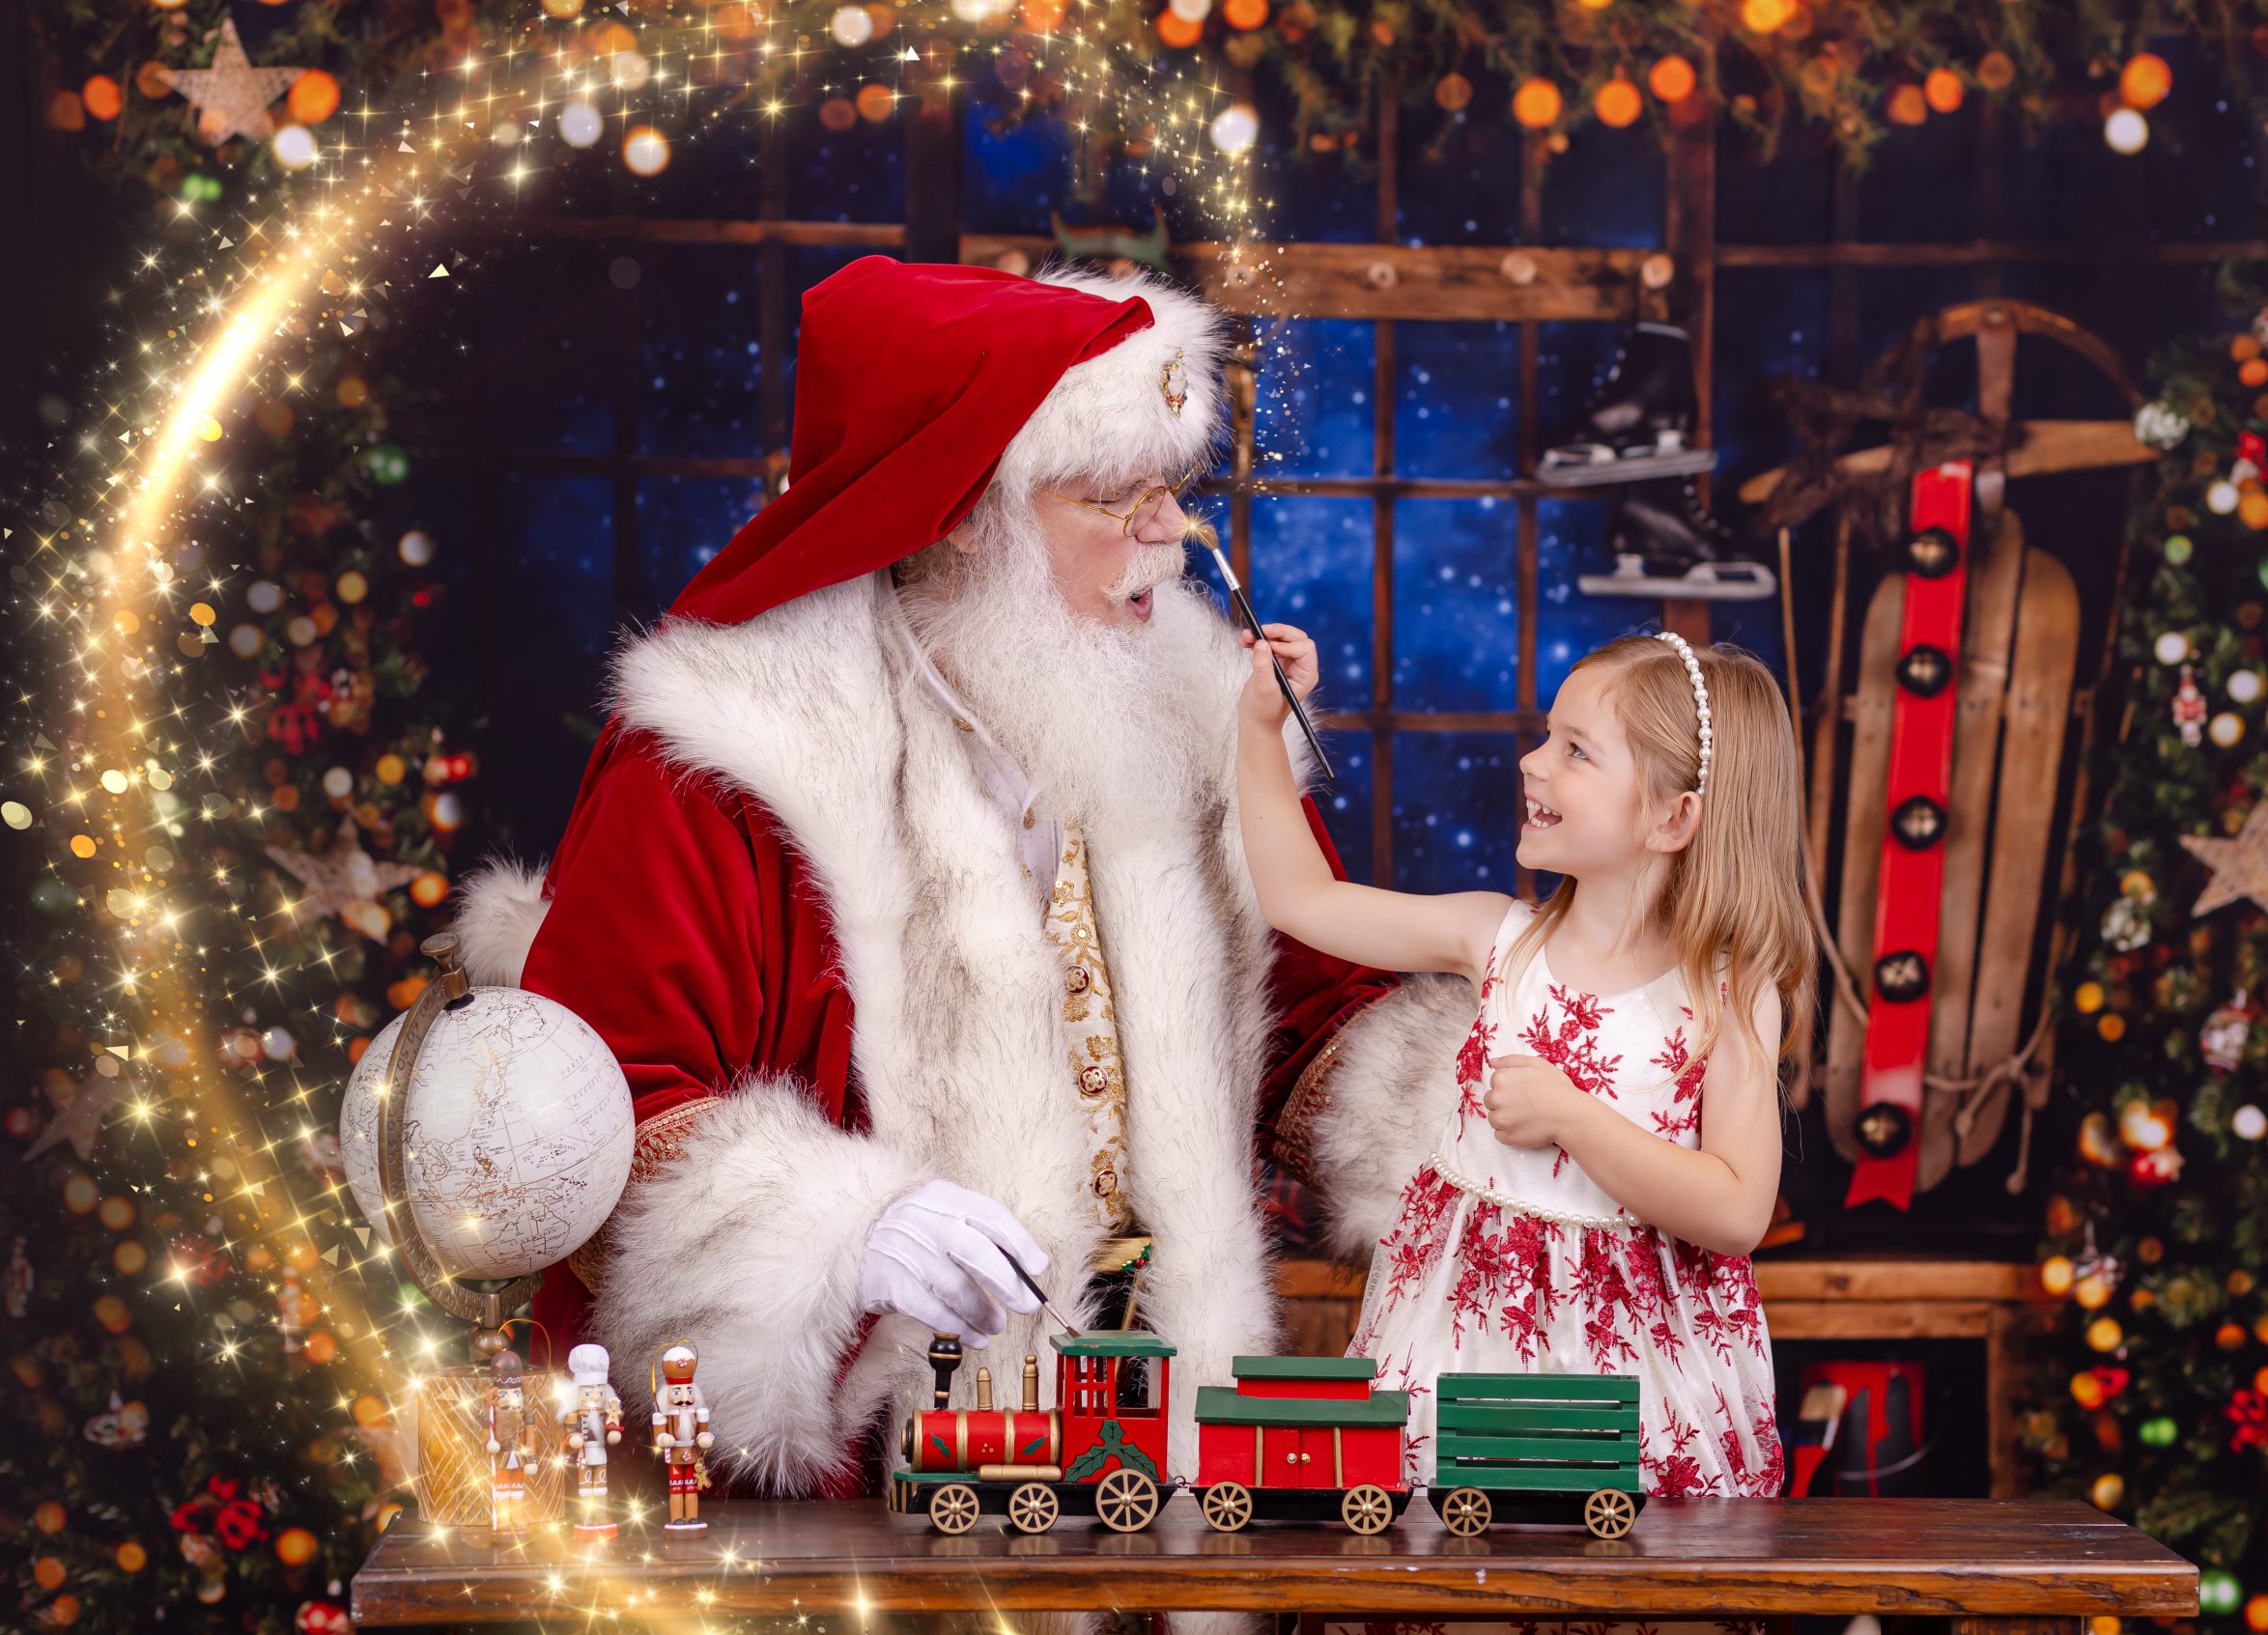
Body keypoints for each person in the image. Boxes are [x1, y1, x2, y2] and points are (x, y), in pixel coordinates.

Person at [442, 256, 1487, 1563]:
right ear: (958, 516)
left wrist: (1485, 1116)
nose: (1171, 533)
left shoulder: (1187, 704)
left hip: (1151, 1456)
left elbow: (1318, 1012)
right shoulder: (725, 753)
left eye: (1175, 489)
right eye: (1115, 496)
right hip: (873, 1480)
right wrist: (840, 1225)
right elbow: (587, 1115)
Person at [1237, 622, 1814, 1635]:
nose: (1531, 763)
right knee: (1450, 1604)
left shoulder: (1726, 991)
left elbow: (1734, 1209)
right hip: (1460, 1339)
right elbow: (1298, 898)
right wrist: (1258, 731)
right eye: (1547, 736)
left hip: (1638, 1376)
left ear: (1674, 816)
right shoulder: (1492, 939)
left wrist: (1571, 1115)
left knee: (1633, 1607)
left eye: (1575, 750)